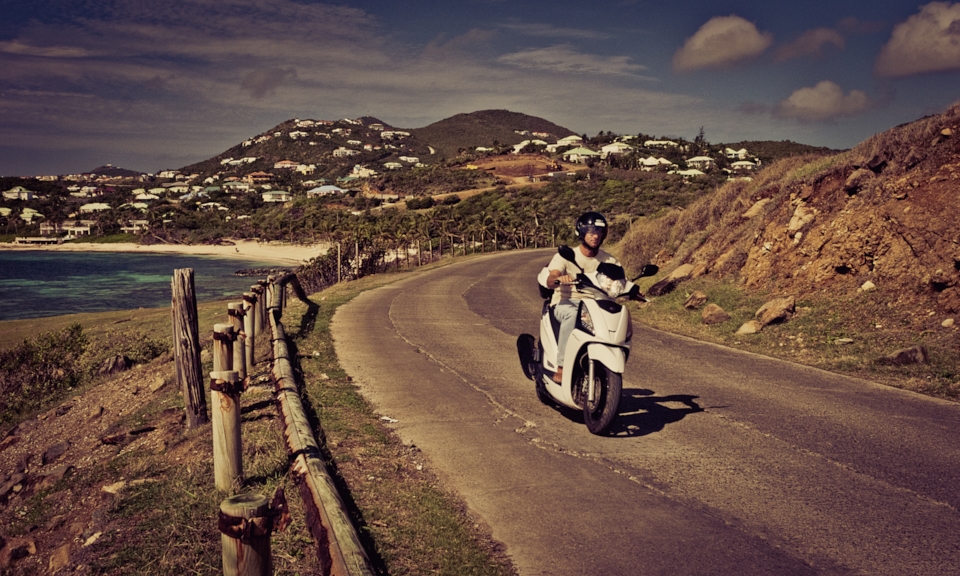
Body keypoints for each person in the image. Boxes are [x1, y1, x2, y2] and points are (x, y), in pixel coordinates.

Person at [538, 211, 641, 383]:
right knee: (573, 314)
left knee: (621, 314)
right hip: (567, 302)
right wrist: (558, 279)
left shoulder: (609, 260)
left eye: (599, 232)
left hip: (597, 305)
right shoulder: (566, 255)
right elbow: (551, 276)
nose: (595, 236)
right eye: (591, 232)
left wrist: (633, 292)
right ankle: (562, 366)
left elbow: (620, 281)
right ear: (582, 233)